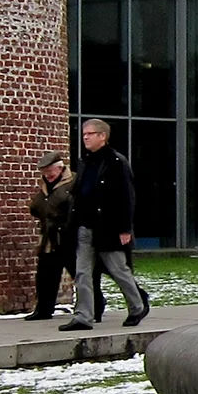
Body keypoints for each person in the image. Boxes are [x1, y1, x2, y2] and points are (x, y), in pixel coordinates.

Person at [62, 118, 151, 329]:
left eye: (90, 134)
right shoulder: (85, 162)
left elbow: (127, 197)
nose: (85, 137)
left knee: (118, 270)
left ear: (103, 136)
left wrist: (125, 228)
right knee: (82, 272)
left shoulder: (116, 162)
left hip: (108, 227)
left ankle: (137, 306)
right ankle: (83, 315)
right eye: (84, 134)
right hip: (85, 226)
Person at [25, 154, 91, 321]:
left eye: (50, 171)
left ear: (60, 168)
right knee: (45, 275)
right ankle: (44, 309)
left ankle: (95, 305)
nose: (48, 175)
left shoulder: (74, 181)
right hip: (50, 237)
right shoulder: (45, 186)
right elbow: (37, 207)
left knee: (79, 273)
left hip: (69, 236)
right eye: (44, 172)